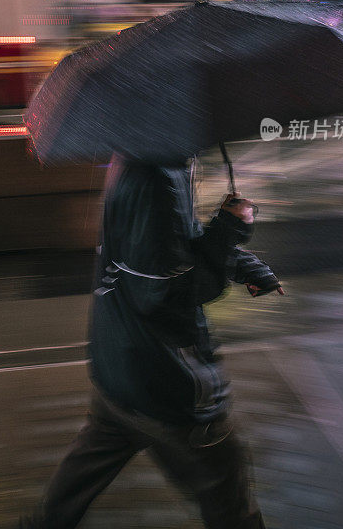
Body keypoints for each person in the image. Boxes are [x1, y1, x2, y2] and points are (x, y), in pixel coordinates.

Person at [19, 155, 283, 529]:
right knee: (230, 502)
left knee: (67, 496)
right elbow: (168, 293)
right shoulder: (157, 179)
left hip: (120, 366)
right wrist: (230, 228)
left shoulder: (143, 158)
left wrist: (245, 266)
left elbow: (176, 247)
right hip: (166, 380)